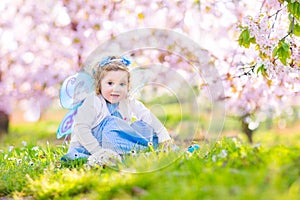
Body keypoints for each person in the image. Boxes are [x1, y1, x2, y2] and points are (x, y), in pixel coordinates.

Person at [62, 56, 172, 166]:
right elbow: (80, 128)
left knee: (143, 126)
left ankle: (145, 151)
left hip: (118, 143)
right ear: (99, 84)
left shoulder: (127, 101)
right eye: (110, 83)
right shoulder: (93, 101)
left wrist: (163, 134)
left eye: (122, 84)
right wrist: (98, 151)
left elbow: (146, 114)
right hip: (90, 146)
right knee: (111, 123)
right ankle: (119, 156)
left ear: (128, 86)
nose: (116, 89)